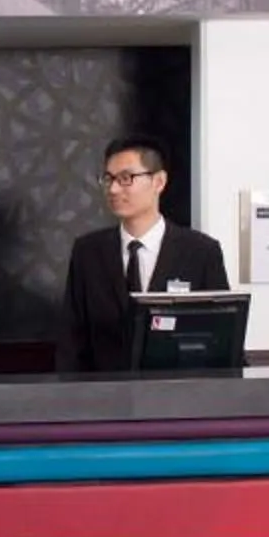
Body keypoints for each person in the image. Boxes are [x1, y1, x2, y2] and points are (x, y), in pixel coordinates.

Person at [57, 135, 231, 373]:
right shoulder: (88, 252)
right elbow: (72, 339)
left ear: (159, 181)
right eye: (108, 179)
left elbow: (221, 335)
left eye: (126, 178)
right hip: (105, 397)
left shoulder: (201, 251)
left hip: (177, 396)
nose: (114, 188)